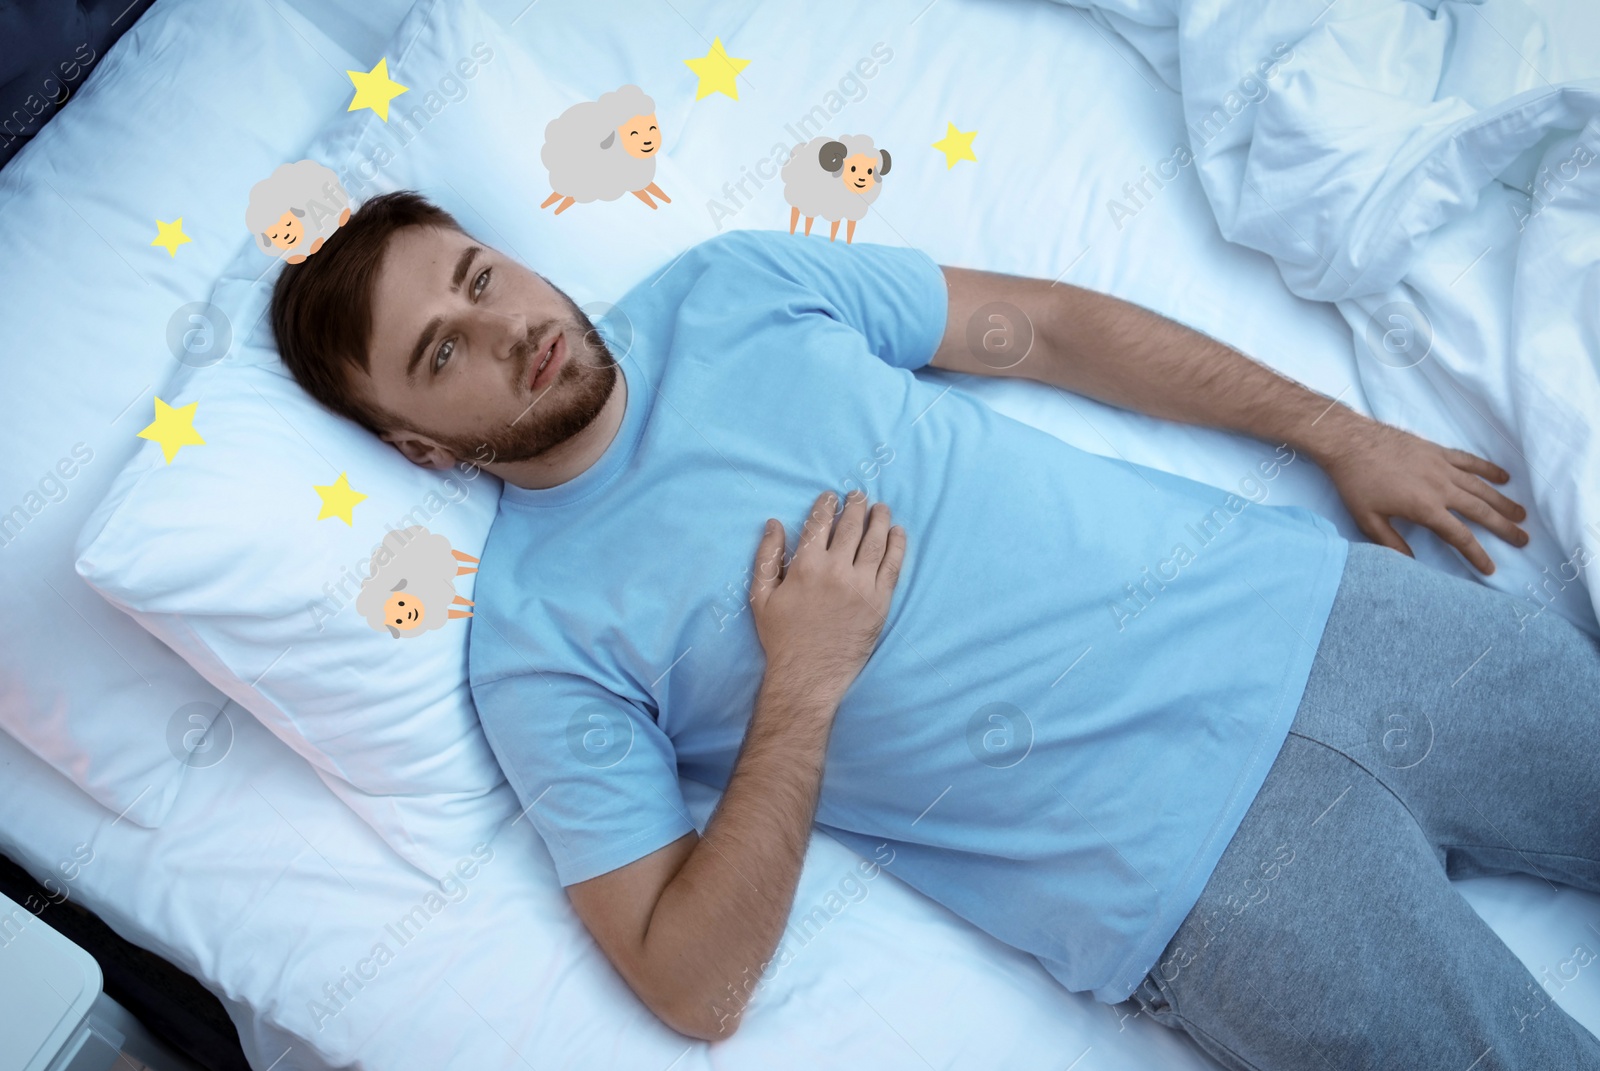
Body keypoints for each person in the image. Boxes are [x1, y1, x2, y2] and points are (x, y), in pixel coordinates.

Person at [269, 191, 1600, 1069]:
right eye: (443, 352)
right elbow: (691, 984)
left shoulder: (727, 289)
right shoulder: (535, 644)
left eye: (480, 278)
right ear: (419, 448)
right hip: (1197, 881)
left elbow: (1056, 332)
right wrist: (802, 683)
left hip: (1324, 619)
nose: (507, 331)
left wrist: (1335, 431)